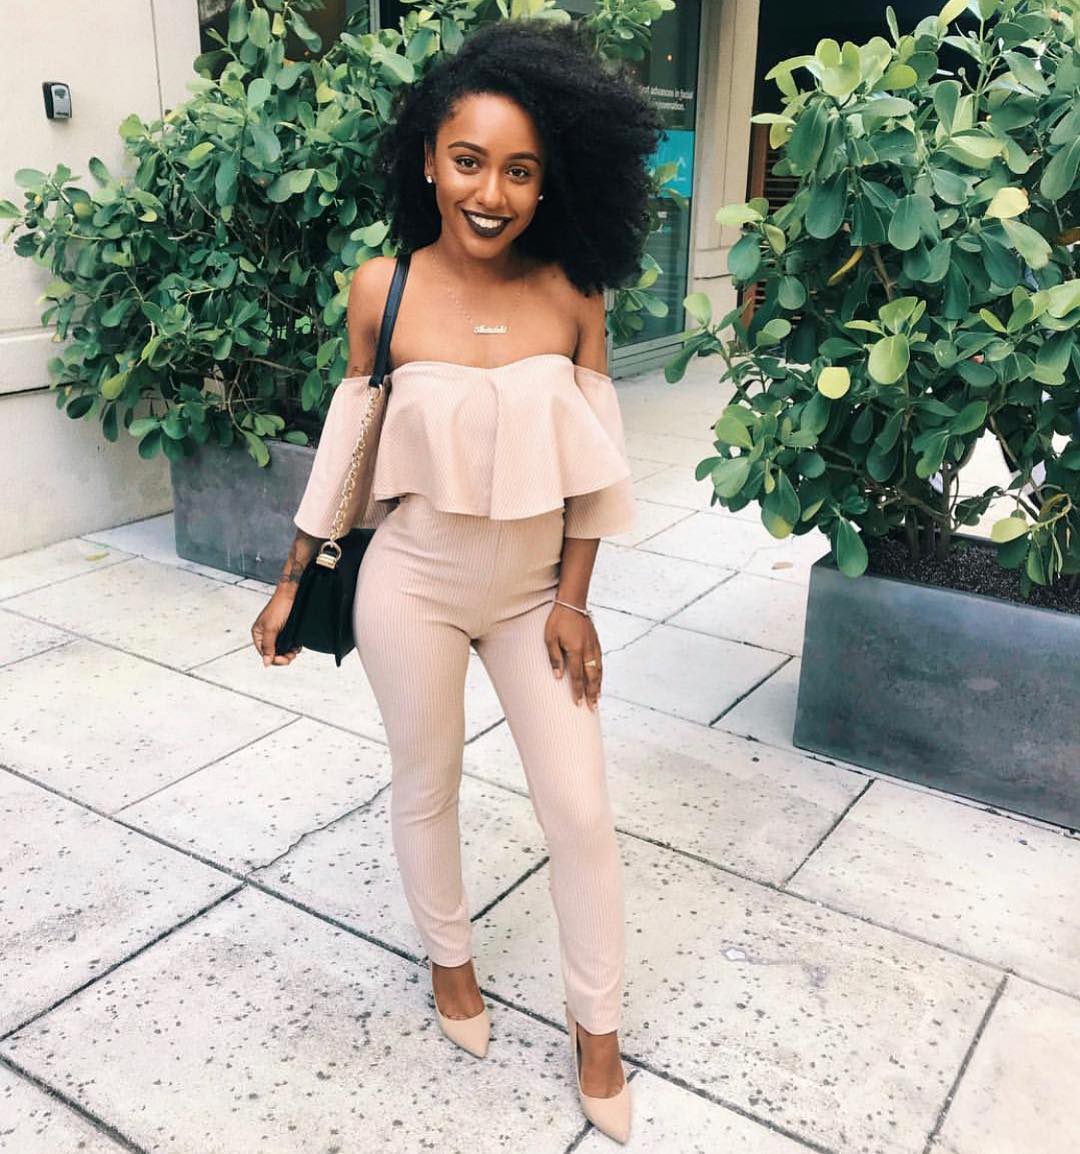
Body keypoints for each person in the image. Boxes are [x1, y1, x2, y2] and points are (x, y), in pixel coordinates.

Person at [251, 18, 661, 1144]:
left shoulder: (576, 294)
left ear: (550, 180)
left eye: (520, 170)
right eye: (469, 161)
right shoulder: (381, 289)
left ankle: (597, 1028)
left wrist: (574, 600)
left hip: (534, 598)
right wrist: (292, 580)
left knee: (580, 811)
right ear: (427, 158)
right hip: (413, 583)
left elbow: (593, 470)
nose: (491, 192)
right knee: (425, 781)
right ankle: (451, 962)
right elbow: (349, 448)